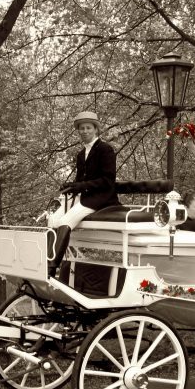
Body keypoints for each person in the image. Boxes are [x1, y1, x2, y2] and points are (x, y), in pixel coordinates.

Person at [47, 111, 119, 275]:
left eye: (88, 128)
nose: (85, 131)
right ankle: (47, 257)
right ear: (78, 131)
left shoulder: (105, 150)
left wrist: (81, 186)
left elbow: (107, 181)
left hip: (101, 198)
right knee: (53, 219)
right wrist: (71, 185)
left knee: (65, 220)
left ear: (95, 129)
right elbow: (81, 180)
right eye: (81, 128)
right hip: (84, 197)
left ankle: (52, 267)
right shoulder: (81, 155)